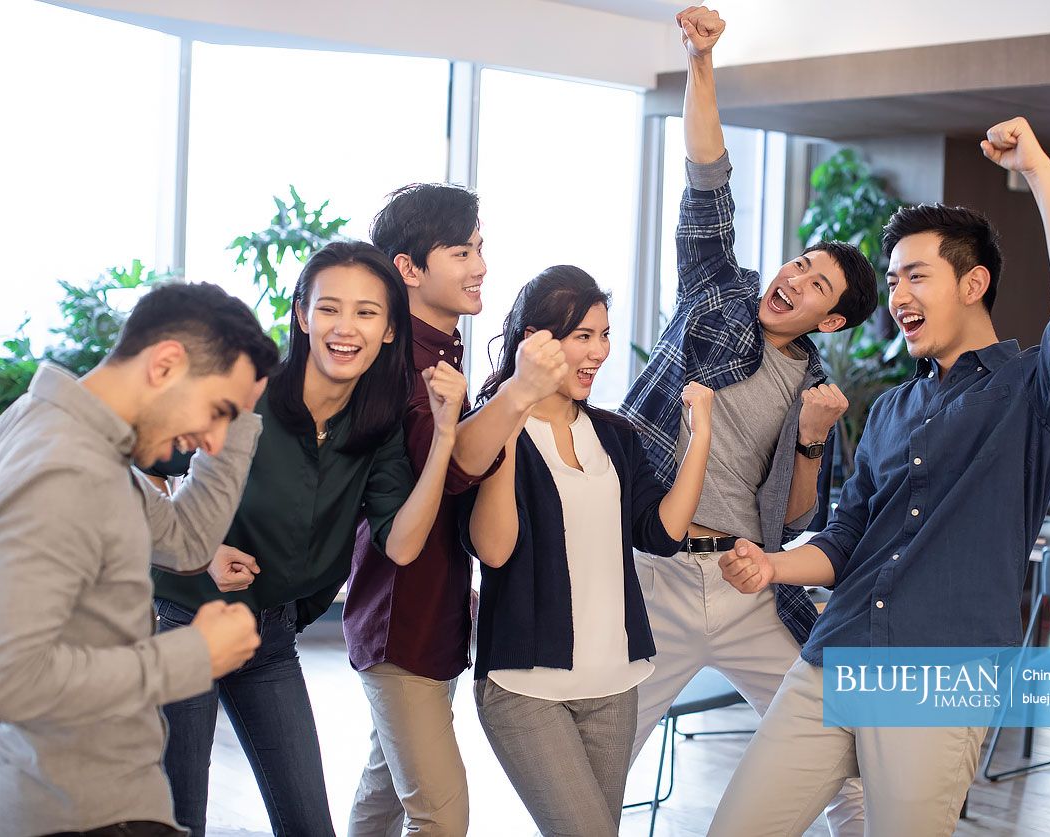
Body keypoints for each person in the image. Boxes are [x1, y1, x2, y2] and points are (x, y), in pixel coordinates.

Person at [712, 115, 1050, 836]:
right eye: (893, 278)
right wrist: (771, 565)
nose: (898, 295)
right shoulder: (896, 407)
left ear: (974, 282)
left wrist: (1037, 172)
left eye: (916, 276)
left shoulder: (1033, 390)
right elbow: (844, 538)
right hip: (832, 654)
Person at [617, 8, 877, 832]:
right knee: (600, 750)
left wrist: (809, 439)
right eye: (801, 263)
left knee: (843, 756)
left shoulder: (818, 393)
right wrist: (700, 62)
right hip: (652, 570)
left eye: (817, 287)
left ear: (830, 323)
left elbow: (800, 520)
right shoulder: (719, 294)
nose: (795, 279)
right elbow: (706, 176)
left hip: (740, 584)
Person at [153, 241, 465, 836]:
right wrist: (198, 548)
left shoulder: (376, 426)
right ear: (302, 315)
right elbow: (121, 472)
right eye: (330, 309)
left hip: (268, 635)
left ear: (392, 330)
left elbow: (400, 544)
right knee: (178, 822)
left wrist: (446, 436)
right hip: (183, 621)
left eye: (367, 313)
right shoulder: (240, 390)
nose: (345, 329)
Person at [0, 282, 277, 836]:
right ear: (165, 364)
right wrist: (192, 654)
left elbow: (187, 539)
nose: (213, 441)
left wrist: (237, 413)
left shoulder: (70, 440)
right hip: (83, 816)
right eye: (216, 410)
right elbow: (8, 682)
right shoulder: (65, 467)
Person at [344, 183, 567, 836]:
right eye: (460, 251)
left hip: (430, 614)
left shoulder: (441, 350)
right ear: (407, 270)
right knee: (440, 814)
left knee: (383, 791)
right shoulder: (397, 359)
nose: (480, 266)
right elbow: (449, 467)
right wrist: (521, 391)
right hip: (398, 621)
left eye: (479, 248)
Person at [462, 266, 713, 837]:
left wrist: (700, 438)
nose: (599, 351)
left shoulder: (616, 435)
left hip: (616, 682)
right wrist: (513, 409)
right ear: (536, 342)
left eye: (604, 335)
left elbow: (662, 534)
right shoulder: (488, 432)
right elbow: (494, 551)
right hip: (526, 687)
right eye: (584, 336)